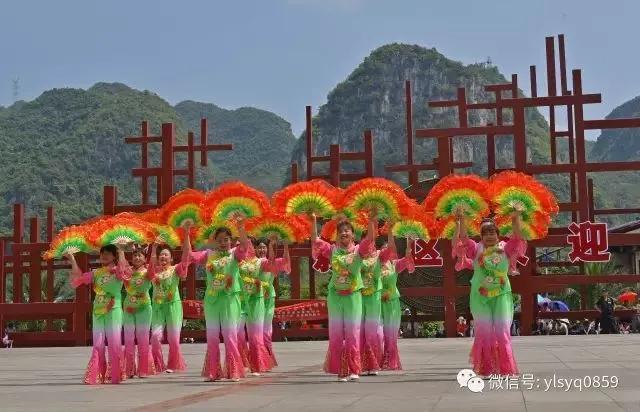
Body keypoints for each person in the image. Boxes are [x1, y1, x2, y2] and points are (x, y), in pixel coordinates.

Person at [452, 211, 526, 377]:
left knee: (502, 331)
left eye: (493, 232)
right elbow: (464, 238)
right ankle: (486, 368)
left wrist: (515, 219)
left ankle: (506, 368)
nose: (490, 236)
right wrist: (462, 219)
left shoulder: (505, 249)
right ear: (481, 236)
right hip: (480, 296)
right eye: (486, 233)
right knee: (484, 330)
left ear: (498, 235)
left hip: (501, 295)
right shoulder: (476, 249)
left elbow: (517, 238)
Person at [310, 211, 376, 382]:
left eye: (347, 230)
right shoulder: (332, 250)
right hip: (335, 296)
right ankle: (342, 370)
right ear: (337, 235)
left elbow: (369, 239)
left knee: (353, 333)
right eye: (341, 231)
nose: (344, 233)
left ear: (353, 234)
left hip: (353, 295)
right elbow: (315, 241)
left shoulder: (358, 250)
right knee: (337, 333)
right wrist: (314, 220)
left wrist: (370, 220)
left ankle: (354, 369)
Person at [183, 216, 250, 382]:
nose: (223, 242)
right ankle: (213, 371)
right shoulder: (208, 255)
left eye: (226, 239)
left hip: (229, 298)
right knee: (212, 336)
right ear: (214, 241)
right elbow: (189, 255)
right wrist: (186, 233)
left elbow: (244, 246)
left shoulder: (235, 254)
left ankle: (234, 370)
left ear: (230, 240)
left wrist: (241, 227)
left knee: (229, 335)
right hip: (212, 300)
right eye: (219, 240)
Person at [67, 245, 129, 384]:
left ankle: (115, 375)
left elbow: (123, 271)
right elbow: (78, 280)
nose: (104, 256)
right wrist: (72, 259)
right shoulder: (96, 273)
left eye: (108, 253)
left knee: (114, 343)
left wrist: (121, 250)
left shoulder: (117, 270)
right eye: (102, 254)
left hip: (114, 309)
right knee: (98, 344)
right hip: (98, 311)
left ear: (114, 256)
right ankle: (98, 375)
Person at [148, 237, 191, 374]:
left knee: (173, 338)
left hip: (173, 306)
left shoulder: (175, 269)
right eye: (161, 255)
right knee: (155, 336)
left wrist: (186, 236)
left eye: (166, 254)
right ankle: (157, 364)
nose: (163, 256)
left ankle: (173, 364)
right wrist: (154, 247)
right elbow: (151, 262)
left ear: (171, 258)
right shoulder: (154, 271)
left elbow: (185, 260)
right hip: (158, 307)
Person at [379, 239, 414, 370]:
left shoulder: (394, 264)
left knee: (391, 334)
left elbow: (407, 259)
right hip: (377, 303)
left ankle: (390, 362)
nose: (386, 251)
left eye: (388, 249)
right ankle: (376, 360)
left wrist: (409, 247)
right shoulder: (374, 265)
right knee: (378, 334)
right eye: (383, 248)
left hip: (392, 303)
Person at [121, 245, 155, 378]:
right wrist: (120, 249)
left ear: (145, 258)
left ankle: (143, 370)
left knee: (143, 339)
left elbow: (153, 265)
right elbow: (121, 266)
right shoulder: (127, 271)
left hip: (144, 308)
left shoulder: (148, 271)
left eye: (139, 255)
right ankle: (129, 370)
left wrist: (155, 247)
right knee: (128, 339)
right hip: (129, 307)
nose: (136, 257)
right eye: (134, 255)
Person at [263, 237, 290, 369]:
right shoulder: (252, 263)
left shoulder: (271, 263)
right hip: (252, 298)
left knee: (266, 329)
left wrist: (285, 245)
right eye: (259, 247)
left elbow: (285, 260)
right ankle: (255, 358)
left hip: (268, 298)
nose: (261, 249)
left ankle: (267, 357)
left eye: (264, 247)